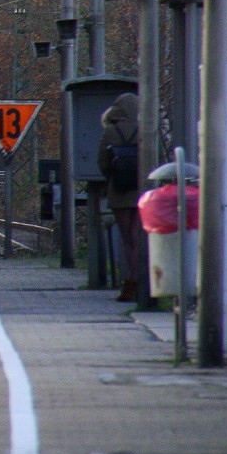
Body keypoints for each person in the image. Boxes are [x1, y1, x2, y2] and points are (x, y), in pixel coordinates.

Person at [97, 92, 140, 302]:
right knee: (139, 236)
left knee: (127, 240)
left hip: (119, 191)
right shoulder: (145, 129)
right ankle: (143, 281)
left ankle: (130, 284)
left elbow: (102, 161)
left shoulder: (110, 131)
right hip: (141, 191)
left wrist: (112, 178)